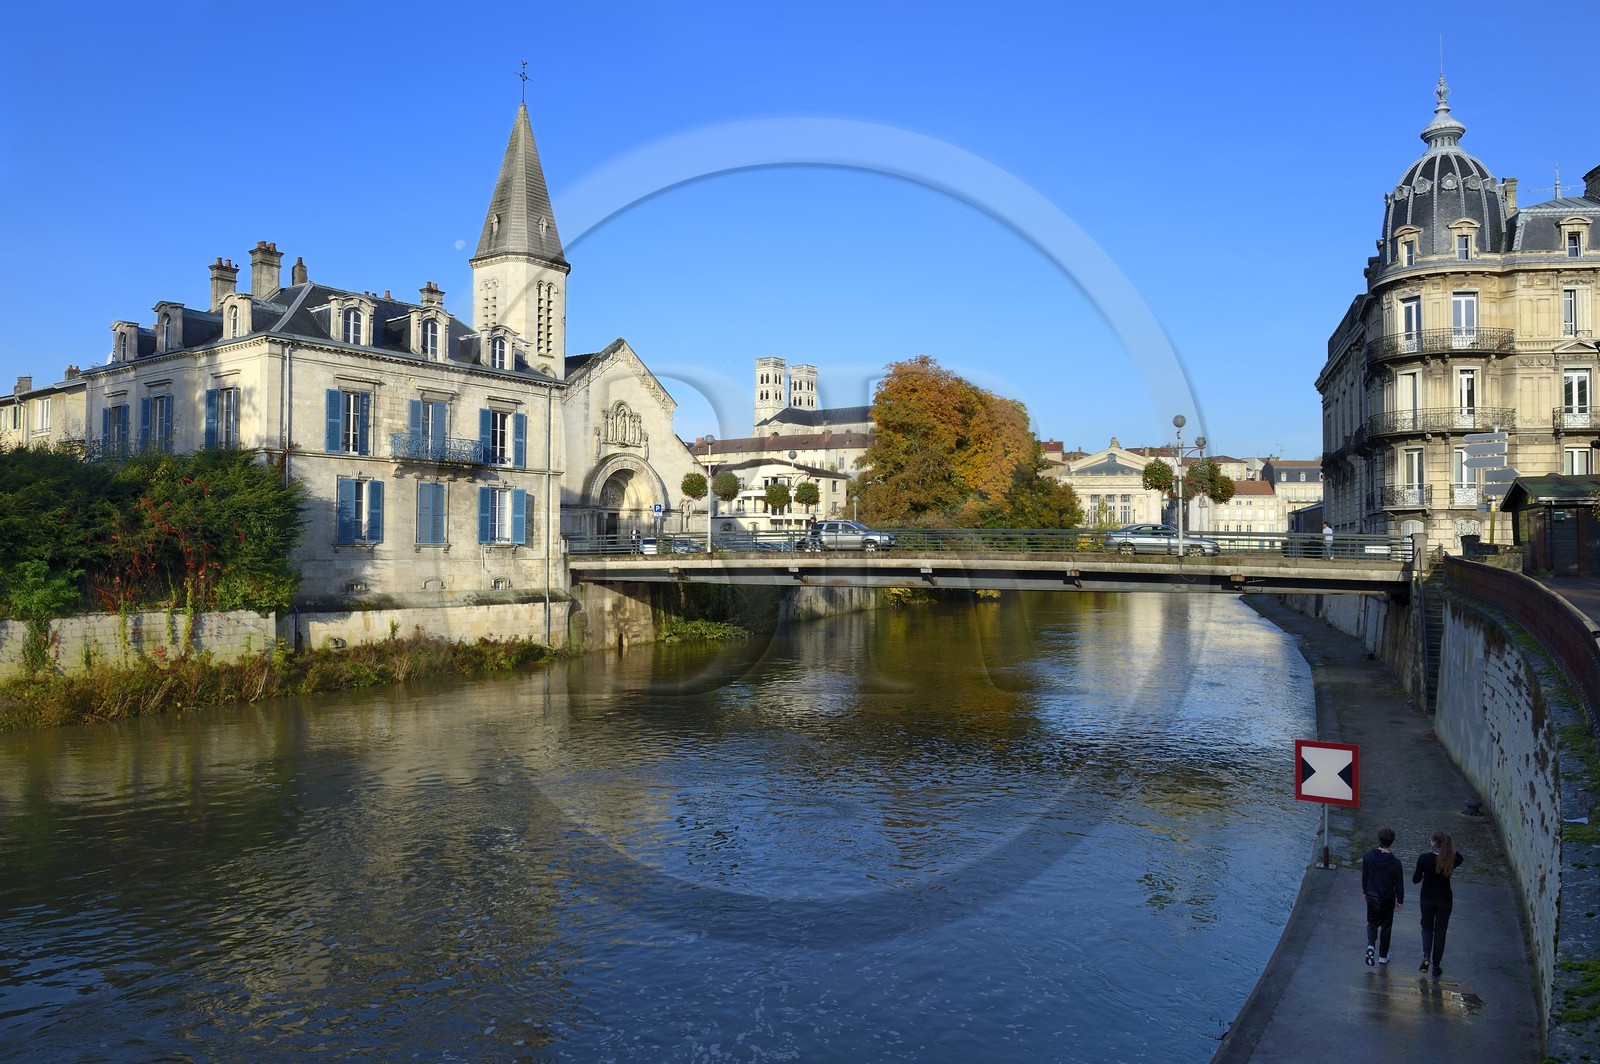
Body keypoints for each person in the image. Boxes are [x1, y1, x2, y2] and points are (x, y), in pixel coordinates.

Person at [1413, 831, 1464, 977]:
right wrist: (1450, 849)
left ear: (1434, 843)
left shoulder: (1424, 858)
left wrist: (1424, 873)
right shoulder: (1451, 859)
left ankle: (1426, 956)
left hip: (1427, 898)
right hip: (1445, 899)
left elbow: (1415, 879)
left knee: (1427, 927)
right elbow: (1460, 857)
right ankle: (1436, 966)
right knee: (1440, 933)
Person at [1361, 826, 1404, 966]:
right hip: (1388, 897)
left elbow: (1365, 876)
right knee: (1386, 926)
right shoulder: (1396, 863)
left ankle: (1370, 945)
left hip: (1372, 895)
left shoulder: (1368, 857)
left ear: (1379, 839)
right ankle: (1383, 956)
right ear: (1392, 841)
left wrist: (1365, 892)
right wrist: (1400, 900)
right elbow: (1399, 884)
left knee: (1372, 922)